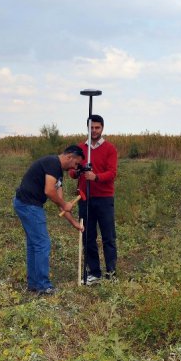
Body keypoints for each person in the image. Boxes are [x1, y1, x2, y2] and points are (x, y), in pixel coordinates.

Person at [13, 145, 85, 295]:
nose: (75, 167)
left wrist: (74, 223)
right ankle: (43, 286)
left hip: (26, 204)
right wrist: (64, 204)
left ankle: (34, 283)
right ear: (70, 156)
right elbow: (49, 191)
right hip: (29, 205)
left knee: (34, 244)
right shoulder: (53, 163)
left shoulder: (57, 172)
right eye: (76, 163)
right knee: (42, 243)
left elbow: (61, 203)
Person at [69, 114, 118, 285]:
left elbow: (112, 173)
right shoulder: (82, 148)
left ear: (102, 128)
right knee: (88, 236)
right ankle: (94, 272)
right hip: (86, 198)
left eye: (97, 127)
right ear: (87, 128)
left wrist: (96, 177)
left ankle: (111, 273)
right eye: (91, 127)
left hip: (104, 198)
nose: (94, 130)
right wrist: (77, 172)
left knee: (108, 237)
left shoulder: (110, 149)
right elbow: (72, 170)